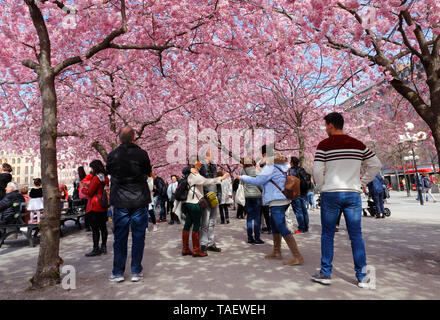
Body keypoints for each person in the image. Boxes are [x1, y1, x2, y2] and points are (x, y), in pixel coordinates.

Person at [312, 112, 382, 288]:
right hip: (352, 193)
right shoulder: (357, 144)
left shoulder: (324, 145)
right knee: (356, 235)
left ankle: (326, 273)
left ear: (330, 125)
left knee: (327, 234)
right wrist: (362, 182)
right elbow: (376, 165)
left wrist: (322, 186)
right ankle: (362, 277)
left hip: (331, 193)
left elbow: (317, 171)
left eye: (325, 125)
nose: (325, 129)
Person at [238, 152, 304, 266]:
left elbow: (258, 181)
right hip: (283, 198)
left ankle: (297, 256)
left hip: (277, 200)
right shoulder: (283, 167)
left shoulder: (270, 167)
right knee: (274, 225)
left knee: (281, 226)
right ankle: (276, 252)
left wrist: (242, 177)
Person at [106, 126, 152, 283]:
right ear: (134, 138)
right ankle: (135, 271)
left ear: (119, 138)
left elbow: (110, 172)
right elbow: (147, 171)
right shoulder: (142, 154)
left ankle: (118, 272)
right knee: (139, 236)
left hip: (120, 199)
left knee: (120, 237)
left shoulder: (113, 155)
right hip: (139, 198)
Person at [181, 155, 230, 257]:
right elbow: (207, 181)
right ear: (195, 163)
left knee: (187, 225)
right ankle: (196, 249)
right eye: (198, 162)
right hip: (195, 203)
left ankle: (185, 249)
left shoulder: (188, 174)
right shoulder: (194, 175)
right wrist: (221, 178)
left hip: (188, 202)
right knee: (197, 226)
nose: (200, 163)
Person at [81, 160, 110, 257]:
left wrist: (83, 189)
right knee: (103, 227)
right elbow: (101, 187)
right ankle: (104, 247)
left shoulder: (96, 178)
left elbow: (90, 193)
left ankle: (96, 249)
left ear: (95, 168)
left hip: (94, 206)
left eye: (92, 168)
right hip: (103, 205)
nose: (91, 170)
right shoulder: (105, 178)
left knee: (95, 229)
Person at [199, 149, 222, 253]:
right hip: (205, 197)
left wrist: (219, 195)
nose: (213, 157)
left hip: (214, 196)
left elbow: (218, 181)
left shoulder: (214, 167)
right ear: (206, 156)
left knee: (212, 221)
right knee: (205, 221)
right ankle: (203, 243)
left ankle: (211, 242)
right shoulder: (201, 167)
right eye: (212, 155)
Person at [241, 158, 264, 245]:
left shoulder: (242, 171)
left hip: (247, 196)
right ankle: (257, 238)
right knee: (257, 217)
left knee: (249, 217)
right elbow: (260, 183)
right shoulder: (256, 171)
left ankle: (250, 238)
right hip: (256, 195)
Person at [289, 156, 310, 234]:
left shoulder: (291, 171)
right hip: (304, 192)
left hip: (295, 193)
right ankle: (306, 227)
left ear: (291, 163)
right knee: (304, 210)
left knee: (298, 211)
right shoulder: (302, 169)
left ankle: (301, 228)